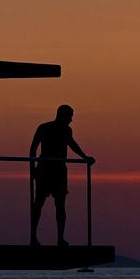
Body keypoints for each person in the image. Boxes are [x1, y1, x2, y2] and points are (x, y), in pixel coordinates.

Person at [28, 105, 94, 246]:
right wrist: (32, 169)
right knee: (39, 203)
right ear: (62, 116)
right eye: (69, 116)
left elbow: (72, 144)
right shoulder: (44, 128)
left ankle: (60, 238)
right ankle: (33, 237)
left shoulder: (66, 130)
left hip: (58, 170)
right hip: (46, 169)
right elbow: (33, 148)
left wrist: (85, 157)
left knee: (59, 205)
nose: (71, 119)